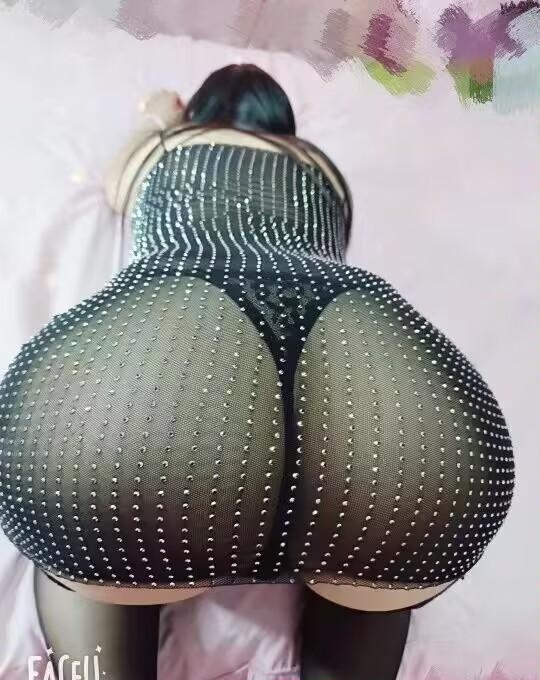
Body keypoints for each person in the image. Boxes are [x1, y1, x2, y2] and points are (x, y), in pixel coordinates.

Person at [0, 64, 514, 680]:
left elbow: (117, 188)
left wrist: (160, 119)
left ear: (200, 113)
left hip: (174, 334)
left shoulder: (169, 145)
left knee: (82, 499)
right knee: (387, 535)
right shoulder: (321, 169)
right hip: (362, 357)